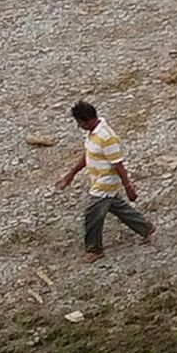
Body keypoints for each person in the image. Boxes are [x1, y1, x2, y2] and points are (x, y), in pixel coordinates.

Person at [55, 98, 153, 255]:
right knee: (116, 206)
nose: (78, 126)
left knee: (92, 213)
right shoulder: (93, 134)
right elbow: (87, 154)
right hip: (99, 180)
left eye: (79, 122)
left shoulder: (107, 137)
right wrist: (71, 174)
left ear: (86, 121)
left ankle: (94, 250)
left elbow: (118, 164)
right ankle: (145, 227)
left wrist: (128, 186)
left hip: (106, 182)